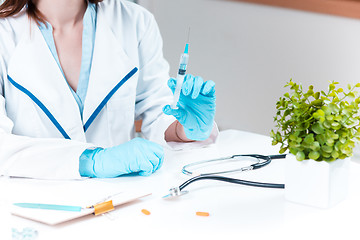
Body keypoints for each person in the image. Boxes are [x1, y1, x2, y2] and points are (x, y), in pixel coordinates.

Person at [0, 0, 217, 179]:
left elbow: (158, 113)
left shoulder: (135, 22)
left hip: (121, 201)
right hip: (32, 205)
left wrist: (184, 129)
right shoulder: (4, 33)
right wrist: (90, 160)